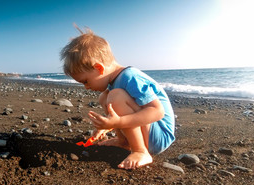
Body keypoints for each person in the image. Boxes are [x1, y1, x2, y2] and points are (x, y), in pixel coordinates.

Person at [60, 28, 175, 170]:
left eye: (86, 81)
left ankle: (140, 151)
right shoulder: (115, 82)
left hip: (159, 136)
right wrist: (108, 126)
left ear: (99, 68)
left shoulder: (130, 77)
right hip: (149, 132)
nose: (86, 87)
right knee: (106, 97)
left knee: (114, 96)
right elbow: (127, 109)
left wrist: (119, 122)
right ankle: (124, 142)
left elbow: (157, 112)